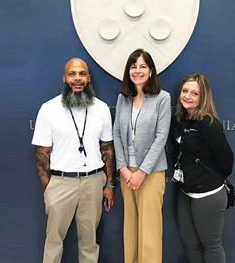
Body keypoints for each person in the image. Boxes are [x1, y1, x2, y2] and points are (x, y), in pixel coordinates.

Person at [31, 58, 115, 263]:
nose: (77, 78)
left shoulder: (102, 108)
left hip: (93, 182)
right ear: (64, 78)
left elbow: (107, 149)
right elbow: (42, 153)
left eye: (82, 74)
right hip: (60, 183)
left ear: (88, 77)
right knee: (53, 242)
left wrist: (110, 183)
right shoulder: (48, 109)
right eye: (72, 74)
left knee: (89, 243)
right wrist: (49, 189)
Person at [113, 48, 171, 263]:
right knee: (131, 229)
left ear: (151, 71)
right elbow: (116, 133)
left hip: (151, 173)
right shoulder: (123, 99)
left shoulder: (162, 98)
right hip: (127, 173)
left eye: (142, 66)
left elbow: (161, 137)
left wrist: (143, 171)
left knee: (150, 232)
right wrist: (123, 168)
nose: (137, 71)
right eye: (133, 66)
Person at [172, 73, 234, 263]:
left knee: (211, 245)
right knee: (189, 243)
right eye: (185, 91)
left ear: (203, 97)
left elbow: (227, 161)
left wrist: (206, 179)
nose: (187, 96)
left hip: (208, 194)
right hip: (185, 192)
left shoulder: (208, 124)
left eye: (194, 93)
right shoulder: (180, 120)